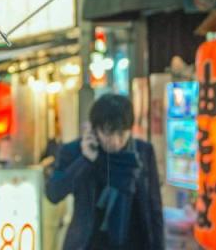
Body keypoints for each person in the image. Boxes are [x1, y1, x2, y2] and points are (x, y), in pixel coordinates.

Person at [46, 94, 164, 249]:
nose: (115, 141)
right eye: (108, 133)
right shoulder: (75, 151)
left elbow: (154, 207)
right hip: (90, 244)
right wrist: (85, 160)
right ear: (94, 129)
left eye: (121, 134)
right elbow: (53, 193)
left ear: (130, 129)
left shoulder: (142, 151)